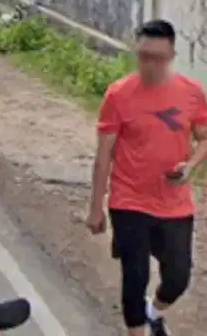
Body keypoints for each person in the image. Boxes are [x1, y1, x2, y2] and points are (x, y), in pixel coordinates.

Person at [86, 19, 207, 336]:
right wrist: (96, 207)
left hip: (175, 204)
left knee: (178, 278)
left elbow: (203, 137)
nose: (151, 65)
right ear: (135, 51)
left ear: (172, 56)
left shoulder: (192, 94)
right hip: (129, 200)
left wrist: (190, 165)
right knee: (135, 276)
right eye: (144, 56)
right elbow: (103, 157)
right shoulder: (118, 95)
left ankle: (154, 314)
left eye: (159, 58)